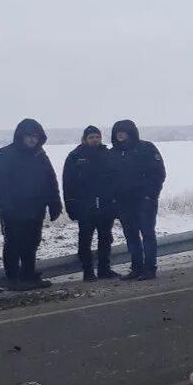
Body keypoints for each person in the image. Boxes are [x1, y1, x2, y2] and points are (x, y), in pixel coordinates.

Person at [0, 118, 62, 290]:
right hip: (13, 210)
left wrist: (54, 203)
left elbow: (51, 181)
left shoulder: (40, 156)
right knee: (13, 243)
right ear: (21, 136)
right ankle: (13, 279)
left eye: (35, 137)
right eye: (29, 136)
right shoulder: (4, 155)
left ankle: (28, 275)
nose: (32, 140)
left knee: (32, 243)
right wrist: (5, 206)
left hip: (35, 209)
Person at [107, 119, 166, 281]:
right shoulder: (112, 154)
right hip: (123, 201)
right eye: (117, 131)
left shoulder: (146, 148)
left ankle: (150, 268)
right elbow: (108, 179)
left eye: (123, 131)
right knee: (131, 235)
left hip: (144, 200)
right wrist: (113, 198)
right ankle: (136, 268)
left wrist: (150, 195)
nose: (120, 134)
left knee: (147, 233)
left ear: (130, 132)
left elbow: (158, 173)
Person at [63, 126, 119, 281]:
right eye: (91, 137)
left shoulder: (108, 155)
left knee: (106, 238)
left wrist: (116, 203)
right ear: (85, 139)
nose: (95, 140)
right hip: (85, 207)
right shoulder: (75, 156)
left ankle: (104, 269)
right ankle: (88, 272)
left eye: (97, 137)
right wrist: (70, 205)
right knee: (85, 240)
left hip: (106, 206)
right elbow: (68, 183)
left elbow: (115, 180)